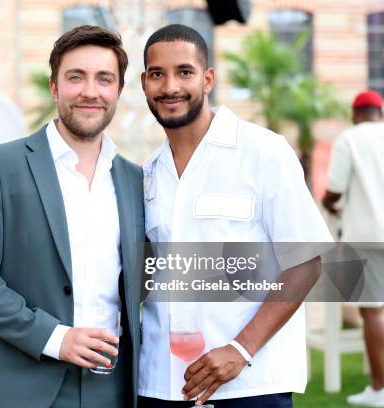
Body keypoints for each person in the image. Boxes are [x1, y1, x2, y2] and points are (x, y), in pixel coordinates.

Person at [0, 25, 144, 408]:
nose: (91, 91)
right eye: (76, 77)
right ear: (54, 87)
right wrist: (55, 337)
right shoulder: (0, 166)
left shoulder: (135, 181)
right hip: (20, 384)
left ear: (118, 90)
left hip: (114, 388)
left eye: (104, 79)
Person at [137, 25, 333, 407]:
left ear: (208, 79)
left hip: (249, 384)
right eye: (157, 74)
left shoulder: (264, 152)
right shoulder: (145, 174)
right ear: (144, 83)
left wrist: (240, 350)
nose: (170, 86)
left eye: (184, 72)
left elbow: (306, 262)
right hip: (161, 386)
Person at [323, 90, 384, 407]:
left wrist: (328, 204)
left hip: (368, 236)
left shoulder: (350, 139)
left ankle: (379, 390)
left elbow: (334, 189)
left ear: (355, 113)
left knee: (373, 311)